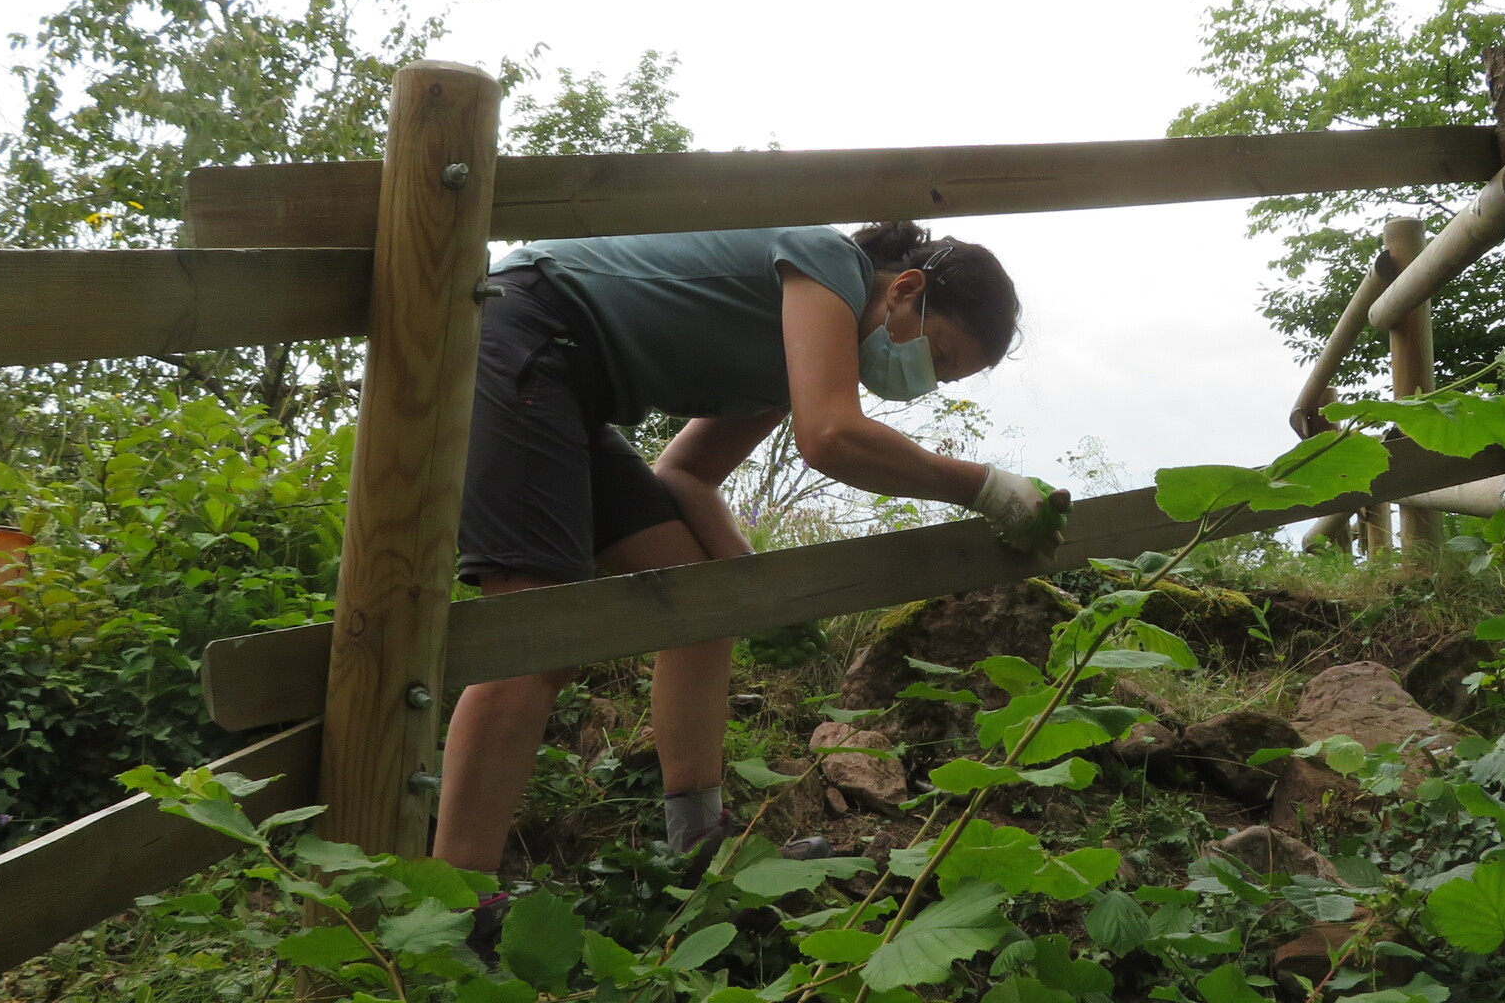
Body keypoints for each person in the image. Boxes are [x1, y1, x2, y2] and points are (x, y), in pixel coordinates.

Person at [434, 219, 1068, 875]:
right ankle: (457, 899)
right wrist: (988, 489)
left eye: (944, 377)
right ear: (906, 289)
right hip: (527, 329)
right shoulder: (828, 262)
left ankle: (697, 844)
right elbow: (830, 436)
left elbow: (686, 473)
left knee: (705, 607)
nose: (925, 379)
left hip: (570, 388)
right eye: (938, 355)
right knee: (536, 643)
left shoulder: (791, 359)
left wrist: (751, 587)